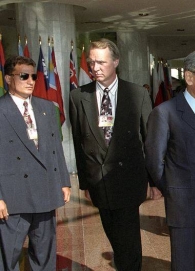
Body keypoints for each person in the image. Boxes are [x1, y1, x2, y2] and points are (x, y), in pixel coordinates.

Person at [69, 38, 153, 271]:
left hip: (129, 179)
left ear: (115, 61)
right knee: (114, 234)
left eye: (101, 62)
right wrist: (85, 183)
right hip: (98, 181)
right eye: (91, 62)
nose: (95, 68)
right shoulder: (78, 97)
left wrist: (154, 181)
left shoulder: (137, 94)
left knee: (128, 237)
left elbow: (150, 140)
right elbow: (78, 141)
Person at [145, 51, 195, 271]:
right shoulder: (165, 113)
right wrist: (174, 190)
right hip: (185, 209)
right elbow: (154, 161)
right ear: (189, 77)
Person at [0, 56, 71, 271]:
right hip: (12, 197)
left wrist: (64, 182)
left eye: (34, 76)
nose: (30, 80)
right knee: (7, 258)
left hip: (45, 192)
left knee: (44, 256)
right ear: (8, 79)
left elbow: (55, 148)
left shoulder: (47, 108)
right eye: (24, 76)